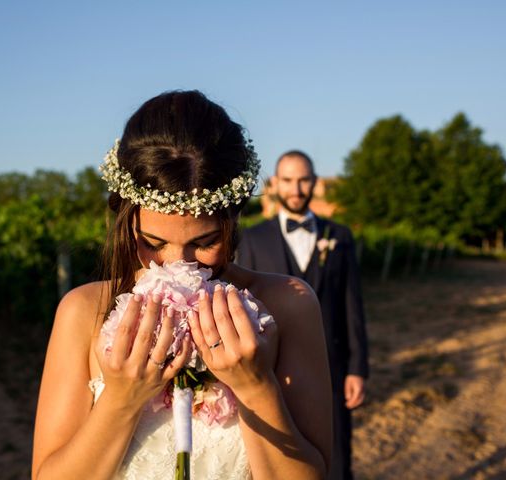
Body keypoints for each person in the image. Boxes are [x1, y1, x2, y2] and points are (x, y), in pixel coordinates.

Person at [32, 91, 332, 479]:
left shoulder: (290, 305)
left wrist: (256, 387)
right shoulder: (83, 310)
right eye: (153, 243)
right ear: (125, 220)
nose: (178, 265)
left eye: (205, 242)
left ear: (235, 220)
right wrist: (121, 400)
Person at [236, 150, 369, 480]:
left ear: (314, 183)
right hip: (272, 368)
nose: (297, 189)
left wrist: (357, 368)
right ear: (276, 184)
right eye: (289, 181)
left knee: (337, 460)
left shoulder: (339, 236)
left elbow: (352, 305)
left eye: (304, 180)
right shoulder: (251, 238)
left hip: (333, 367)